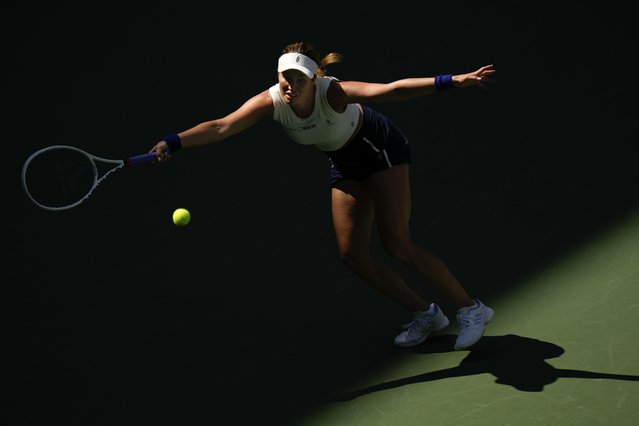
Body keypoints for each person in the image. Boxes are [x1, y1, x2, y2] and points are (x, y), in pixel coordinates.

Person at [150, 41, 496, 351]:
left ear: (314, 78)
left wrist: (451, 80)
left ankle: (470, 308)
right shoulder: (270, 101)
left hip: (380, 149)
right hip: (345, 163)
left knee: (397, 244)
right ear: (278, 74)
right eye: (287, 76)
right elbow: (221, 126)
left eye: (300, 78)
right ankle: (427, 315)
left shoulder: (333, 93)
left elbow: (392, 90)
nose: (292, 85)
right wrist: (173, 142)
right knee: (352, 254)